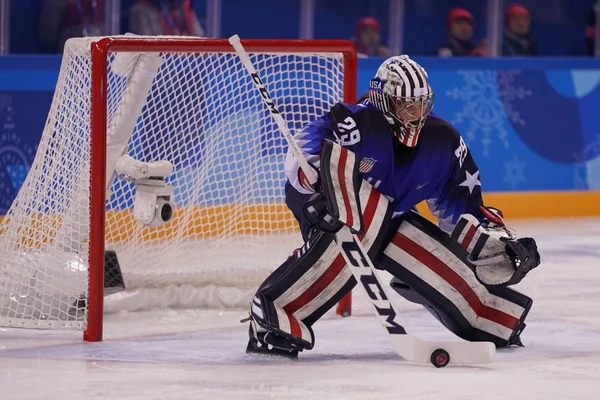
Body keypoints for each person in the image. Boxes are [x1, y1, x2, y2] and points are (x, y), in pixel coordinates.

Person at [245, 55, 541, 358]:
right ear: (385, 103)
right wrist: (313, 186)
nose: (417, 113)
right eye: (407, 105)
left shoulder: (444, 142)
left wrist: (494, 240)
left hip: (388, 221)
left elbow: (462, 208)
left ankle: (487, 314)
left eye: (422, 104)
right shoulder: (354, 124)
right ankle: (274, 316)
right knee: (365, 214)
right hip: (329, 210)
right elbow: (303, 153)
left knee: (427, 255)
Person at [38, 0, 104, 54]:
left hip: (99, 52)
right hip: (66, 55)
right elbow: (47, 35)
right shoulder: (55, 3)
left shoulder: (109, 4)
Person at [129, 0, 204, 36]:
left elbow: (199, 35)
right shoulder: (140, 9)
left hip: (187, 59)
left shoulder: (183, 7)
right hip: (158, 60)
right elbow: (146, 41)